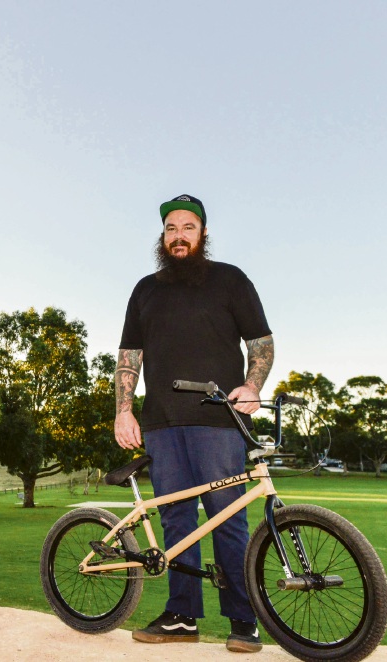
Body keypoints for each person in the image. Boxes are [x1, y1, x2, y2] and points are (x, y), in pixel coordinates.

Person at [114, 194, 274, 654]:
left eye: (188, 226)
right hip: (161, 424)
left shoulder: (230, 280)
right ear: (162, 236)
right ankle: (182, 616)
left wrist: (251, 384)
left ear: (202, 233)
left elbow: (261, 342)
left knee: (227, 520)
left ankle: (243, 620)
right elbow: (129, 357)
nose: (178, 235)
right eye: (170, 228)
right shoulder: (145, 288)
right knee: (176, 520)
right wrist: (123, 410)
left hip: (218, 422)